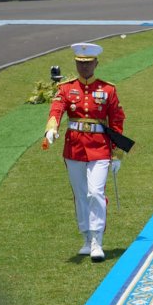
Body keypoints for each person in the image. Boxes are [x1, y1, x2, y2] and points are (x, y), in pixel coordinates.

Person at [44, 43, 126, 262]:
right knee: (80, 195)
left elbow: (116, 121)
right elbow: (57, 109)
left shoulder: (107, 89)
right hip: (74, 147)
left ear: (96, 63)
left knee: (95, 192)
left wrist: (117, 153)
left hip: (100, 147)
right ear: (76, 64)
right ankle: (86, 237)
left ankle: (98, 240)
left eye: (88, 63)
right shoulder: (65, 88)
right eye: (80, 63)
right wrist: (51, 128)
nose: (84, 67)